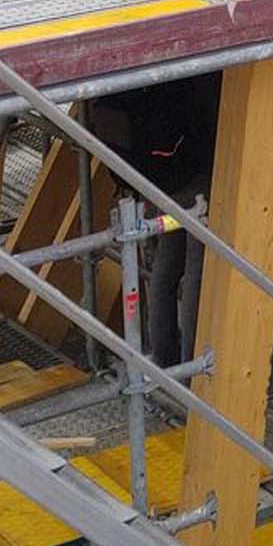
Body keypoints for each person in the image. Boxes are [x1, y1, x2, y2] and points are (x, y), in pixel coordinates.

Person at [91, 75, 221, 369]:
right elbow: (207, 122)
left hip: (153, 179)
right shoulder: (197, 75)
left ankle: (164, 360)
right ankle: (193, 368)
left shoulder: (144, 77)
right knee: (196, 275)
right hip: (193, 176)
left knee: (164, 270)